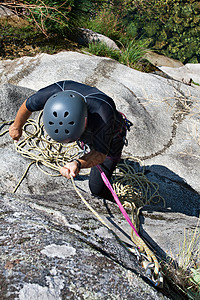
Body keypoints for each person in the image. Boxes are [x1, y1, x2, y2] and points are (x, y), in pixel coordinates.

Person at [9, 80, 130, 201]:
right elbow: (28, 105)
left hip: (113, 136)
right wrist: (16, 126)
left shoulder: (103, 113)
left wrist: (77, 163)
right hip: (89, 126)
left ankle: (115, 204)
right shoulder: (53, 93)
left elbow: (100, 154)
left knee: (97, 189)